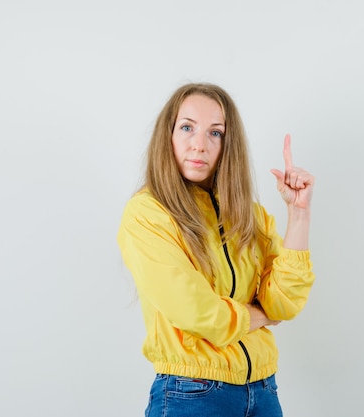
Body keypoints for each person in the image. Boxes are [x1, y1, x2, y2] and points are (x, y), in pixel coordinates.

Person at [117, 82, 315, 417]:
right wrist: (260, 316)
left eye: (215, 133)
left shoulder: (248, 214)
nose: (199, 145)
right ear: (168, 135)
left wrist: (298, 214)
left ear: (228, 144)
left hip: (264, 391)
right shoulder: (148, 213)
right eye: (187, 128)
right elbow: (196, 311)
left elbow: (285, 301)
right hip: (191, 393)